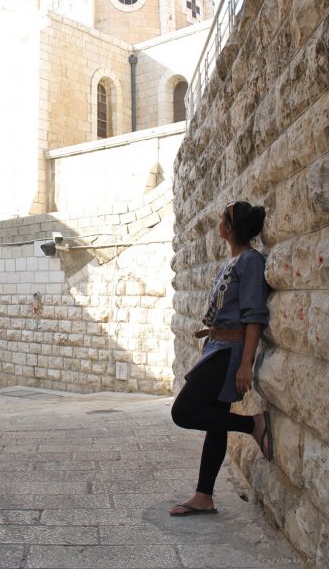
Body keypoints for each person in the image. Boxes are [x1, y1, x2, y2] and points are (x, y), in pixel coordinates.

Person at [169, 201, 272, 517]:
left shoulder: (251, 262)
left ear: (229, 227)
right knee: (215, 422)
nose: (217, 222)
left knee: (183, 412)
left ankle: (253, 423)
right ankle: (204, 496)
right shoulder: (233, 261)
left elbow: (254, 315)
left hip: (230, 354)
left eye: (221, 218)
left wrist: (246, 364)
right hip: (214, 349)